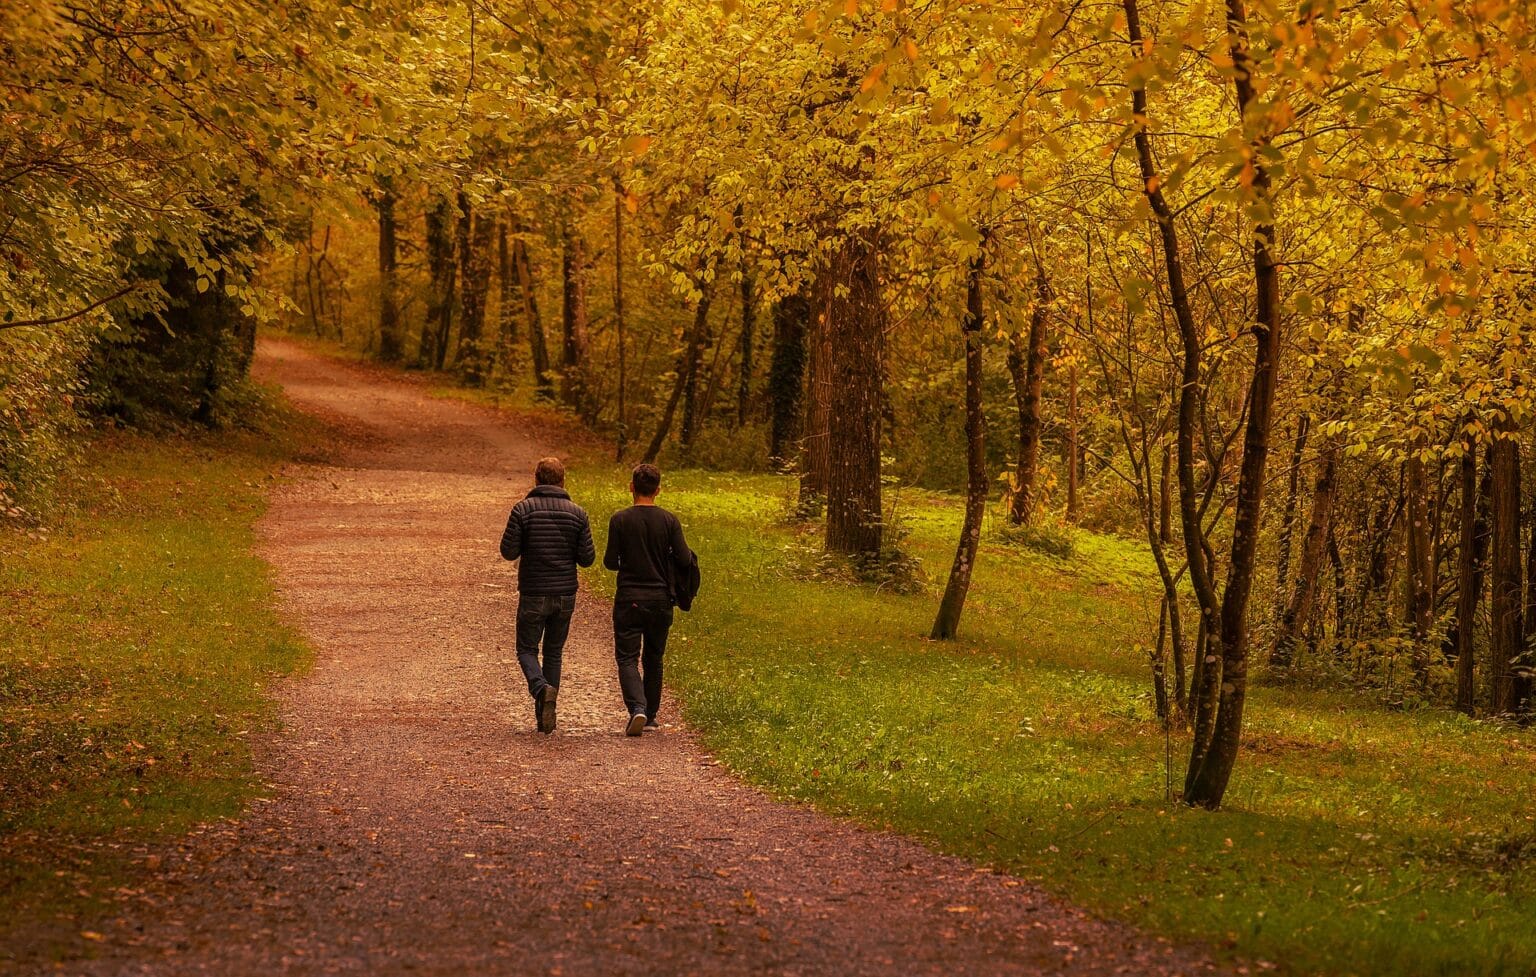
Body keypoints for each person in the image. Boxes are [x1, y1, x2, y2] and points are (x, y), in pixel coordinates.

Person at [499, 457, 595, 734]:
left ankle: (541, 689)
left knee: (526, 649)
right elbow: (587, 558)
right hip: (565, 593)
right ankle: (545, 714)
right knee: (554, 651)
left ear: (536, 479)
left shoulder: (523, 510)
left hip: (534, 591)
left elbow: (508, 552)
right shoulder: (578, 514)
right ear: (563, 481)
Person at [603, 463, 693, 736]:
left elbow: (609, 562)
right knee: (654, 657)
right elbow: (685, 558)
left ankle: (637, 708)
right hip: (660, 599)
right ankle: (651, 715)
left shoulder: (620, 519)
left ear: (632, 486)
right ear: (658, 490)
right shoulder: (669, 521)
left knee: (628, 657)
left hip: (629, 598)